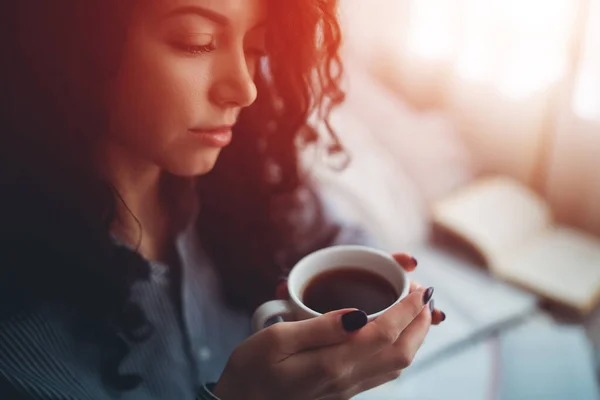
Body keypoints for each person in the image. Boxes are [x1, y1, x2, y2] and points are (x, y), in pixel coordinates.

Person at [0, 0, 446, 399]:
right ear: (79, 43)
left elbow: (337, 237)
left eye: (256, 49)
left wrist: (383, 281)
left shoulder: (245, 178)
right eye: (197, 42)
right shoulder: (19, 338)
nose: (245, 87)